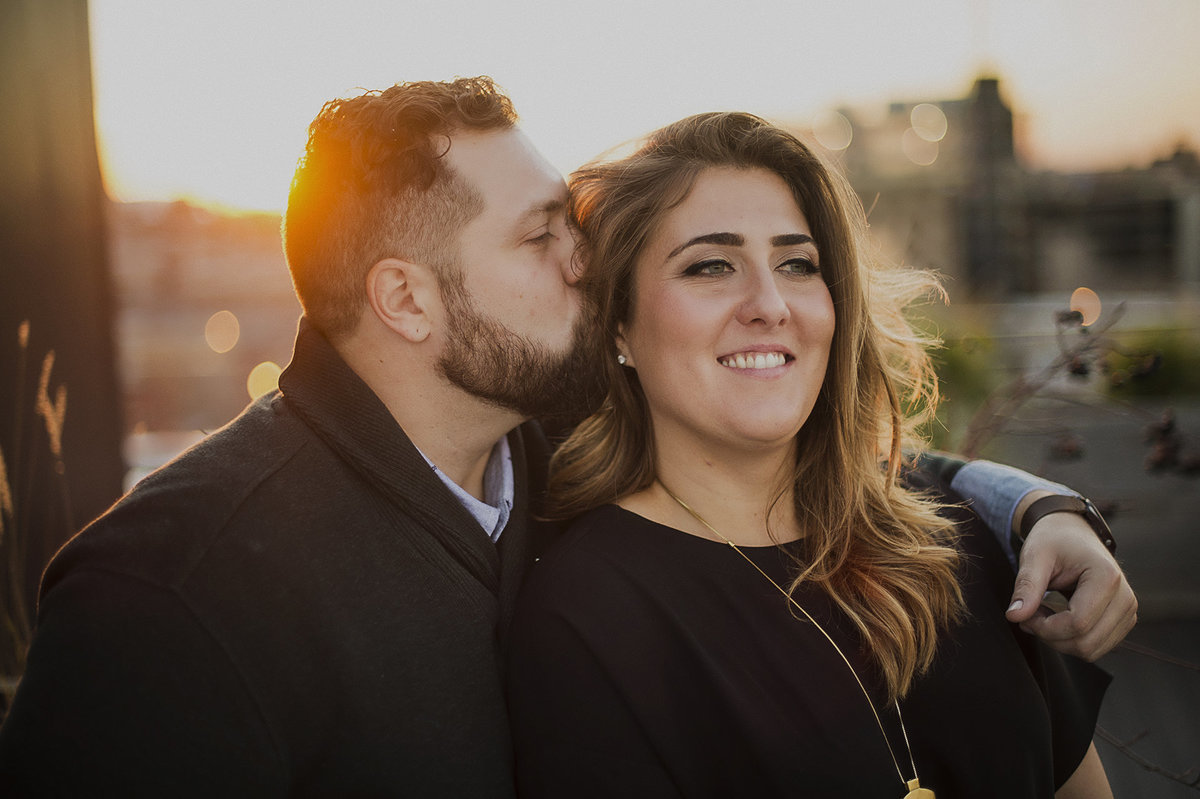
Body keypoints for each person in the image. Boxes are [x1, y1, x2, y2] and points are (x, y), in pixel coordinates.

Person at [0, 79, 1129, 796]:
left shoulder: (540, 433)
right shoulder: (169, 599)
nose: (587, 261)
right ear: (407, 300)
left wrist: (1025, 503)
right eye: (545, 236)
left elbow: (799, 458)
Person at [506, 112, 1116, 797]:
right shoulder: (586, 620)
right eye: (711, 265)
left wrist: (1050, 508)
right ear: (618, 323)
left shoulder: (958, 537)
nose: (770, 305)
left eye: (798, 264)